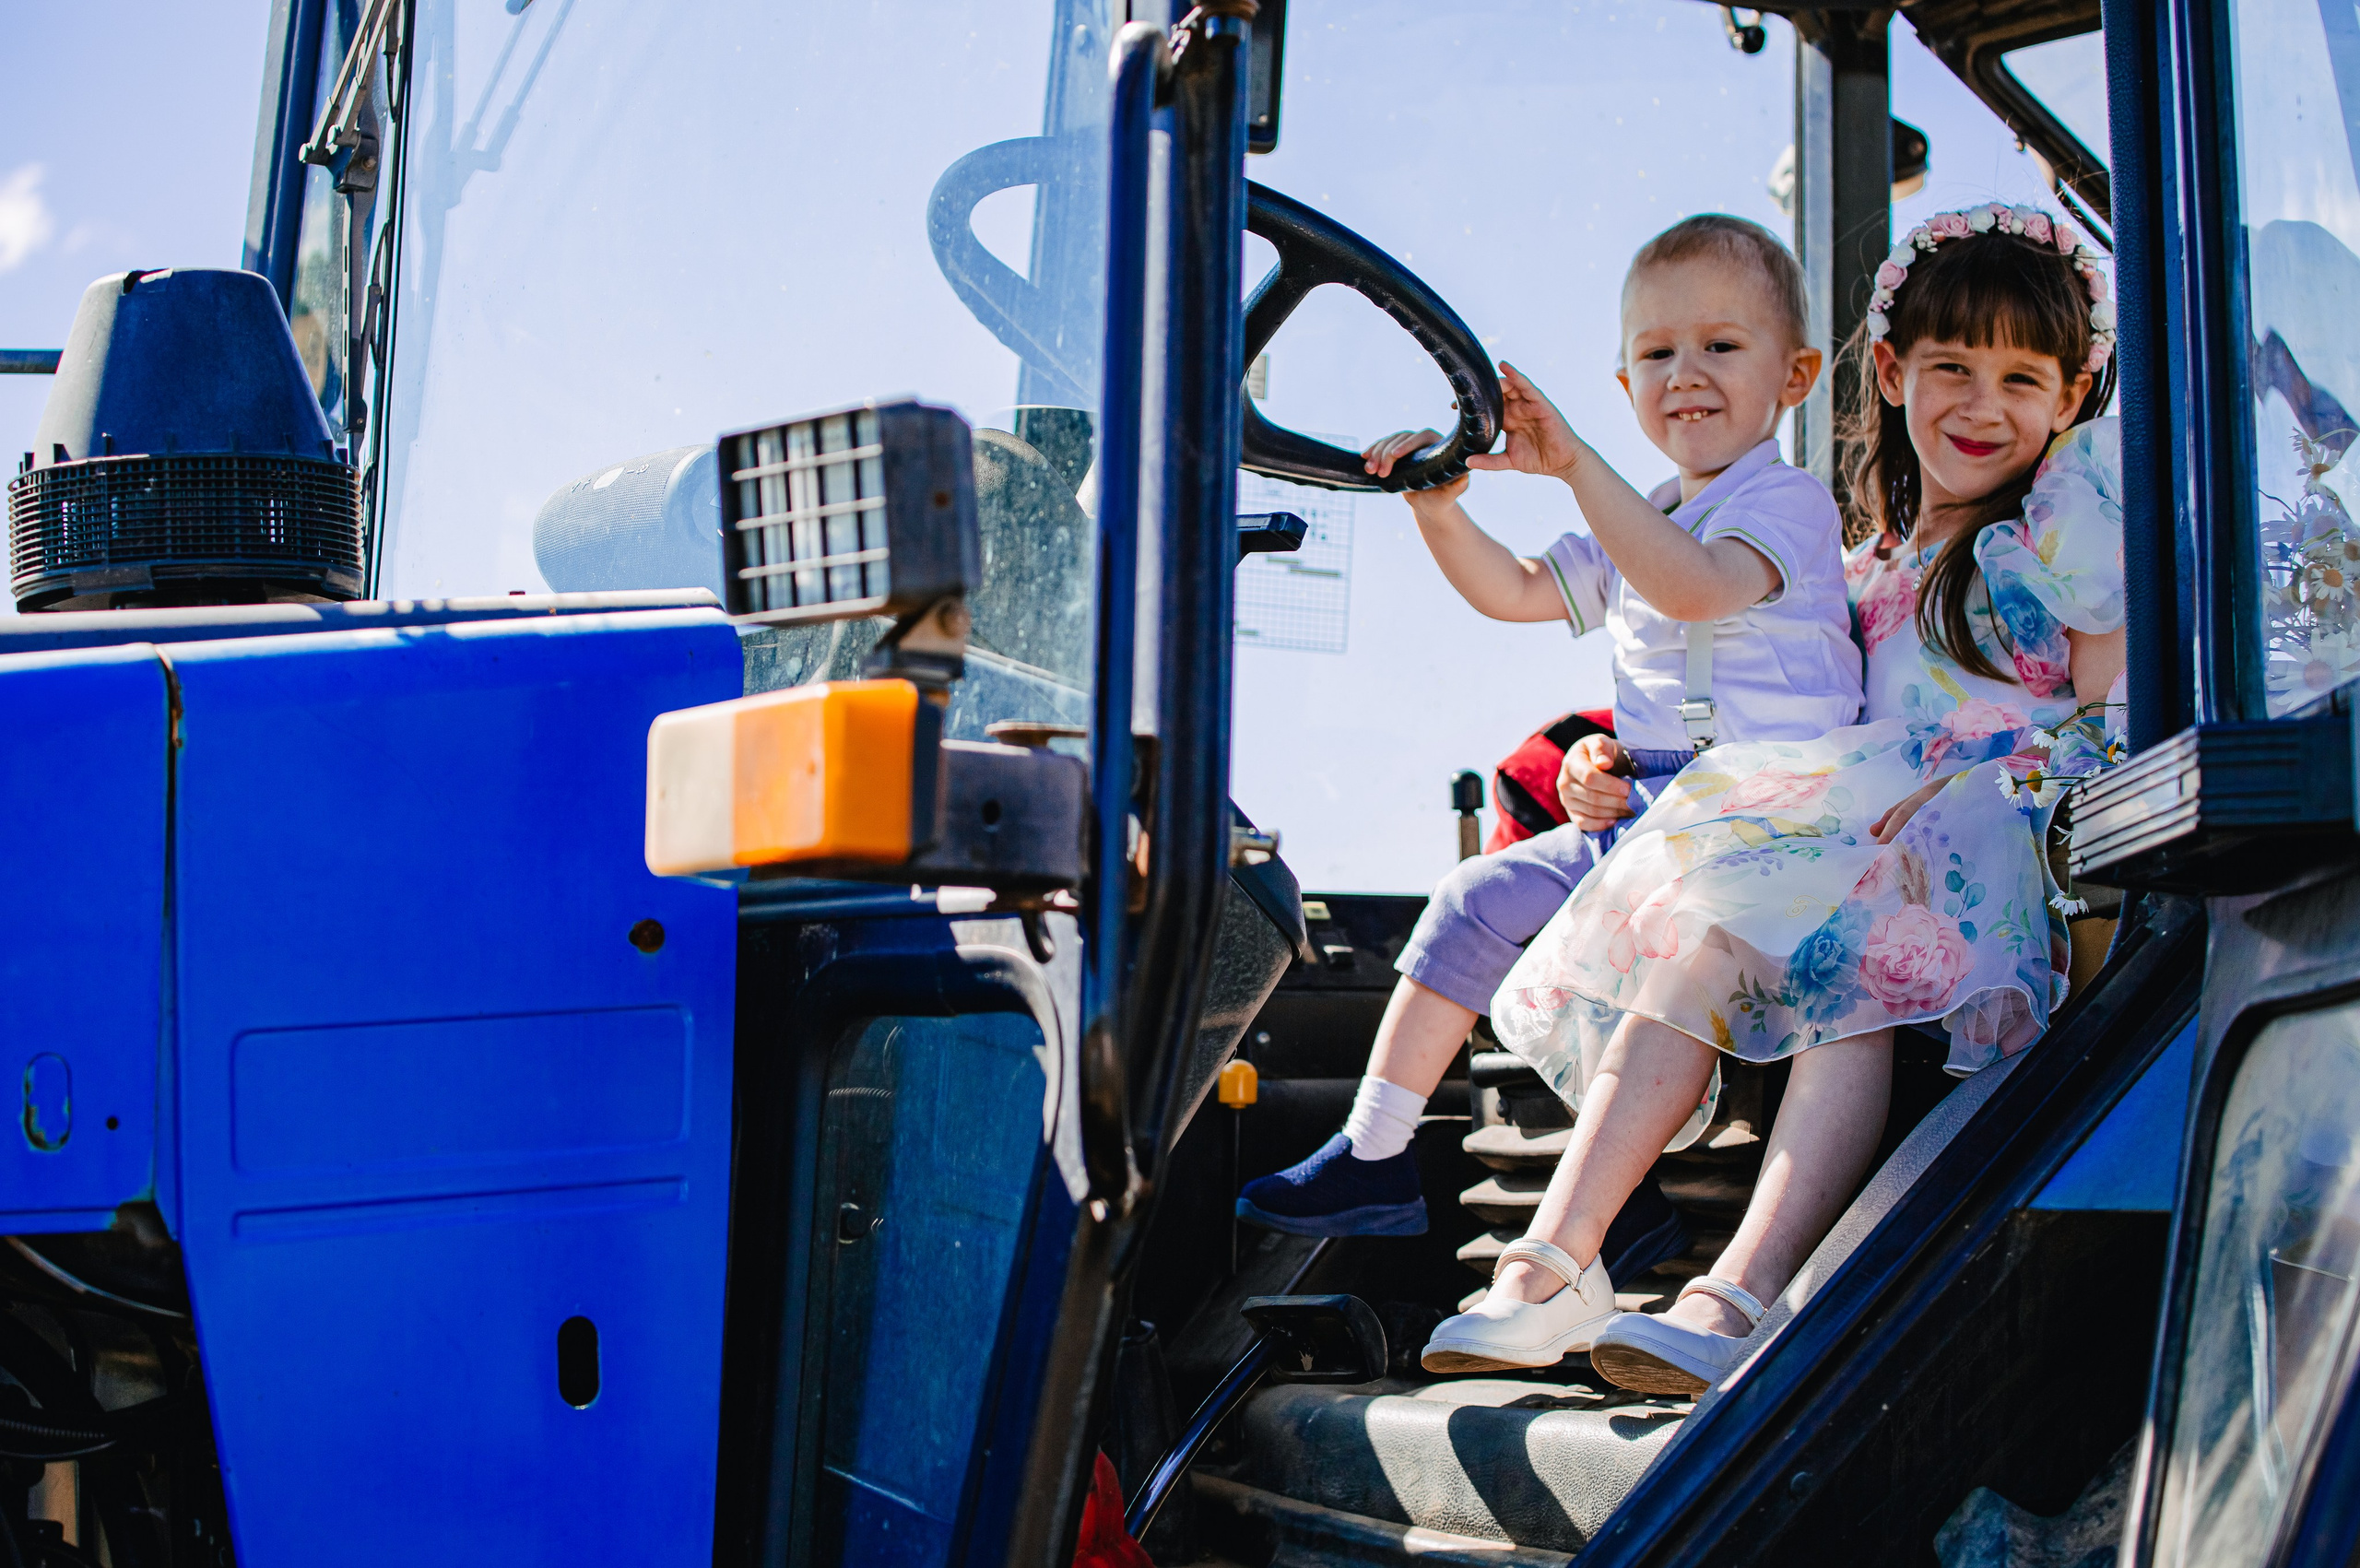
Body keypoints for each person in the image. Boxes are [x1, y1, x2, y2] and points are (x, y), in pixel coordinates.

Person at [1421, 203, 2127, 1391]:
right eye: (1951, 368)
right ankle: (1553, 1264)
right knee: (1695, 939)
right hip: (1855, 836)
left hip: (1990, 845)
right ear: (1892, 375)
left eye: (2020, 379)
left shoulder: (2055, 542)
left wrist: (1975, 785)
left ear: (2069, 399)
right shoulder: (1859, 562)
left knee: (1856, 950)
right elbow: (1764, 695)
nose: (1980, 404)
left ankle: (1740, 1291)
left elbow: (2109, 722)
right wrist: (1605, 758)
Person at [1236, 215, 1863, 1289]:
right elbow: (1515, 590)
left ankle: (1622, 1207)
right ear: (1626, 384)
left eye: (1720, 345)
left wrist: (1575, 468)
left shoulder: (1785, 504)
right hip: (1655, 819)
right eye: (1656, 353)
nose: (1685, 374)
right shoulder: (1646, 514)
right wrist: (1437, 506)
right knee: (1477, 896)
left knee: (1626, 949)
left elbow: (1696, 587)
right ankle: (1374, 1153)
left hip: (1770, 828)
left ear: (1794, 376)